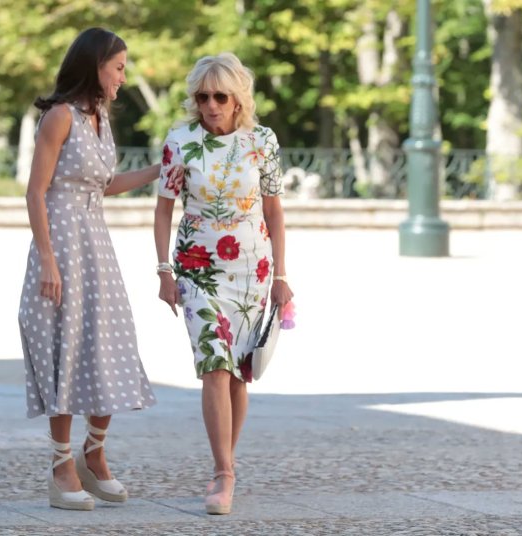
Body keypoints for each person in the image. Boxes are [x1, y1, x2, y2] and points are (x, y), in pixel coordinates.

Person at [18, 27, 159, 511]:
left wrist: (160, 172)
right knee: (66, 347)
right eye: (118, 67)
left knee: (110, 344)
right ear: (94, 66)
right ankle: (61, 466)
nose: (123, 76)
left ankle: (93, 454)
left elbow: (104, 184)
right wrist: (48, 260)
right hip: (61, 244)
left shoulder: (100, 118)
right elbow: (36, 191)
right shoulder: (58, 118)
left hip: (97, 246)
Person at [153, 52, 294, 515]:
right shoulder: (180, 141)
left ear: (238, 100)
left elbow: (273, 210)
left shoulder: (262, 141)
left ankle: (226, 464)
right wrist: (164, 271)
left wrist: (282, 275)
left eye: (220, 96)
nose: (210, 105)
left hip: (251, 271)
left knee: (239, 374)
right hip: (197, 268)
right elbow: (164, 209)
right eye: (202, 96)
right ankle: (223, 473)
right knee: (214, 363)